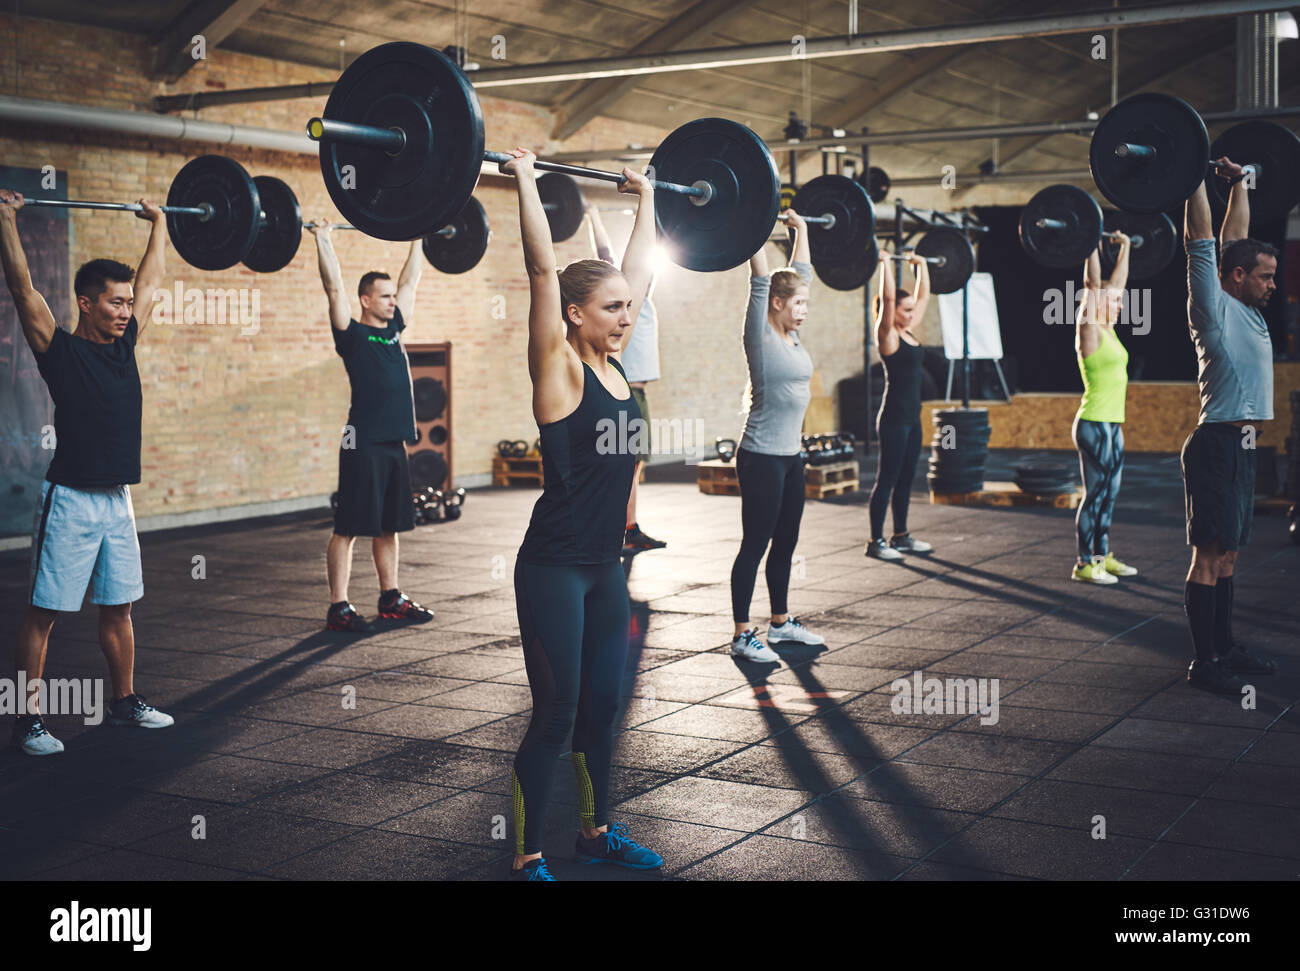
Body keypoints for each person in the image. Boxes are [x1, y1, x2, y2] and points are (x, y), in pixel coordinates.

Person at [503, 150, 664, 882]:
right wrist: (527, 181)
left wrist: (647, 196)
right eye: (612, 307)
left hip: (607, 567)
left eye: (629, 306)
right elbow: (542, 272)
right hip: (553, 569)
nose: (627, 315)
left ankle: (596, 832)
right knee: (557, 711)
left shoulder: (616, 365)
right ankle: (529, 853)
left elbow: (641, 269)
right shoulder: (562, 369)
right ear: (575, 314)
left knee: (603, 707)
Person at [1, 189, 174, 755]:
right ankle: (27, 720)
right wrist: (5, 219)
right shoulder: (59, 349)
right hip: (70, 497)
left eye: (127, 303)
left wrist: (159, 224)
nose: (126, 311)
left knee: (119, 605)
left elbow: (152, 283)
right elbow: (23, 290)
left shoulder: (126, 350)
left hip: (116, 500)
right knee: (45, 613)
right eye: (115, 303)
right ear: (85, 303)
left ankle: (123, 703)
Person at [1181, 160, 1279, 695]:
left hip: (1243, 446)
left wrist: (1238, 182)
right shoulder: (1213, 305)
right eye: (1264, 275)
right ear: (1237, 277)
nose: (1272, 283)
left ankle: (1225, 647)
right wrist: (1188, 175)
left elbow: (1233, 238)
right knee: (1208, 553)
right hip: (1217, 441)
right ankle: (1205, 661)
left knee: (1230, 553)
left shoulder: (1247, 306)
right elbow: (1203, 237)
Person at [311, 222, 434, 633]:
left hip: (393, 443)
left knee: (389, 525)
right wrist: (323, 239)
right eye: (384, 296)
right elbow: (333, 289)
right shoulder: (351, 334)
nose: (392, 301)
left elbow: (411, 279)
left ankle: (390, 596)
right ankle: (339, 606)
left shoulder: (396, 329)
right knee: (348, 527)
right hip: (361, 442)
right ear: (365, 300)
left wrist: (420, 234)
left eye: (392, 297)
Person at [729, 213, 826, 663]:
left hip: (791, 457)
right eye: (798, 304)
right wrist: (749, 226)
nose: (804, 310)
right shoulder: (762, 338)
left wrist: (801, 232)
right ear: (776, 305)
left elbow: (799, 273)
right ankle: (742, 633)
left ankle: (782, 624)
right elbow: (762, 277)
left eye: (807, 303)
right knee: (756, 543)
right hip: (761, 457)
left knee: (786, 541)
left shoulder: (790, 336)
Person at [583, 202, 667, 554]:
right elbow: (608, 254)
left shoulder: (642, 299)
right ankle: (616, 529)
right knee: (621, 464)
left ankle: (628, 527)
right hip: (624, 394)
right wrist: (594, 216)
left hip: (638, 394)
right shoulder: (626, 300)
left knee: (632, 465)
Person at [1070, 234, 1139, 584]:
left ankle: (1102, 555)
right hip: (1094, 422)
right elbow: (1092, 283)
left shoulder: (1110, 331)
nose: (1119, 303)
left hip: (1113, 423)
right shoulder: (1090, 330)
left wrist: (1124, 248)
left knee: (1110, 495)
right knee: (1095, 493)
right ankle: (1084, 564)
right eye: (1111, 301)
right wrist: (1088, 244)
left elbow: (1118, 283)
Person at [865, 251, 934, 560]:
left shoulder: (908, 330)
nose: (909, 314)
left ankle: (901, 535)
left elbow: (923, 299)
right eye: (903, 310)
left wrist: (921, 267)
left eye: (909, 311)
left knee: (906, 478)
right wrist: (885, 265)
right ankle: (876, 542)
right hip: (893, 418)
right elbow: (889, 300)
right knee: (887, 480)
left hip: (912, 419)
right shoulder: (888, 334)